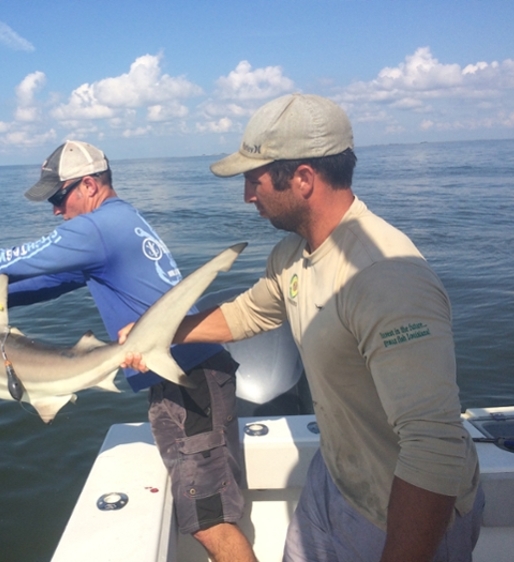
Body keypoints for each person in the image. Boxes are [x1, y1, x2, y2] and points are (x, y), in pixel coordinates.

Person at [121, 94, 483, 561]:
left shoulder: (387, 279)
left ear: (303, 179)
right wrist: (157, 336)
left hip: (401, 514)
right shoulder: (293, 255)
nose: (247, 195)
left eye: (254, 180)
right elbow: (247, 313)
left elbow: (434, 447)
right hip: (335, 479)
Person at [0, 140, 257, 562]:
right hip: (192, 373)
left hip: (190, 381)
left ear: (90, 185)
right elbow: (56, 280)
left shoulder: (95, 228)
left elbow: (16, 258)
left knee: (209, 523)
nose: (55, 210)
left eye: (59, 197)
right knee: (207, 513)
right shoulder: (121, 219)